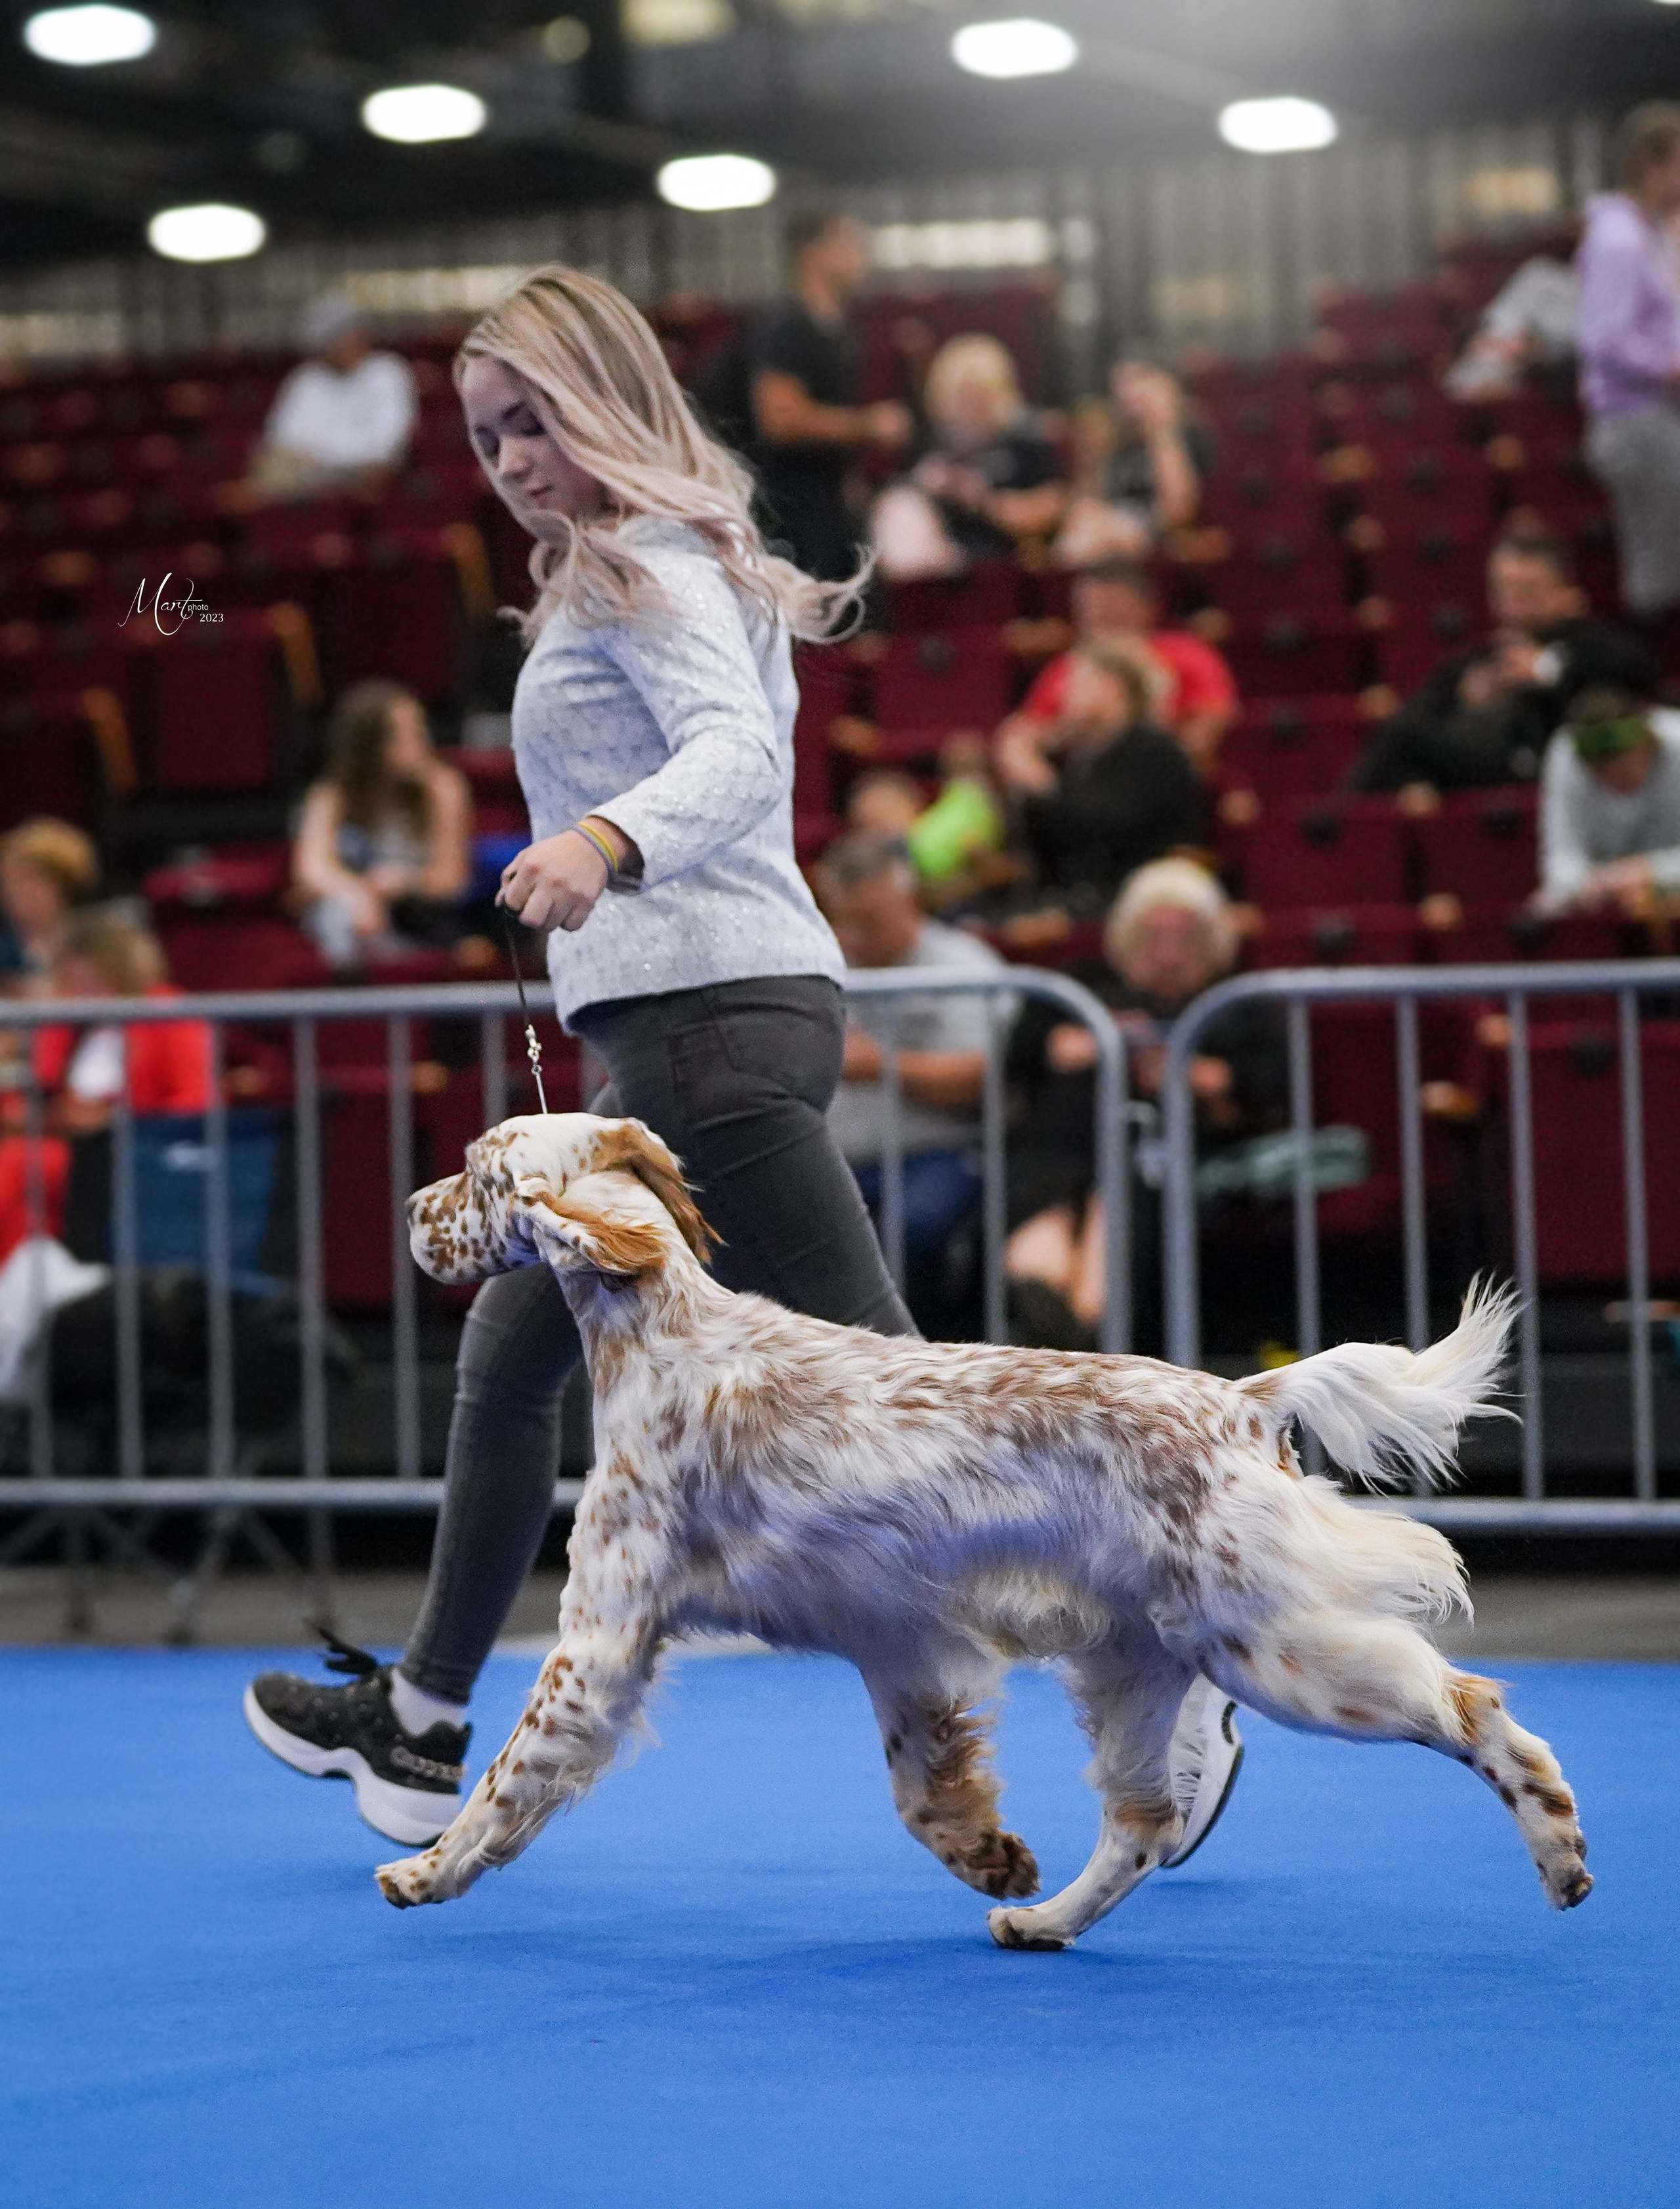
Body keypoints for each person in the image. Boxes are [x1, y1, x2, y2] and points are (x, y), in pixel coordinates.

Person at [240, 263, 1245, 1866]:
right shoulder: (622, 561)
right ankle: (422, 1725)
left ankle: (1168, 1655)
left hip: (707, 1029)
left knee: (911, 1404)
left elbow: (734, 753)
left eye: (529, 420)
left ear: (606, 399)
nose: (503, 457)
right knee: (515, 1366)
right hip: (676, 1027)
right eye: (483, 433)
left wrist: (597, 836)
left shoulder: (646, 559)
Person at [1004, 859, 1286, 1354]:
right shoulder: (1080, 990)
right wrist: (1079, 1042)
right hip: (1058, 1149)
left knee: (1128, 1173)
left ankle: (1074, 1321)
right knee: (1060, 1164)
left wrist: (1198, 1077)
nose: (1170, 955)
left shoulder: (1237, 1007)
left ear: (1215, 944)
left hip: (1158, 1157)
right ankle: (1056, 1302)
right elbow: (1020, 1055)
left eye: (1189, 939)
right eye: (1154, 937)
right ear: (1126, 940)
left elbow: (1271, 1087)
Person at [814, 831, 1011, 1334]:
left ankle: (921, 1360)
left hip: (940, 1152)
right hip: (839, 1157)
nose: (856, 936)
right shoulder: (818, 968)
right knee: (778, 1225)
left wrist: (883, 1065)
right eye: (846, 920)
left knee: (914, 1230)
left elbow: (979, 1077)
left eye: (872, 920)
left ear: (910, 901)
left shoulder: (965, 967)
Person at [1349, 526, 1662, 799]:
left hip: (1576, 774)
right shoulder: (1479, 659)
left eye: (1529, 591)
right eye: (1504, 591)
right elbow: (1412, 727)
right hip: (1493, 776)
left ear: (1566, 594)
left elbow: (1641, 679)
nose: (1513, 605)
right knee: (1400, 737)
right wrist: (1470, 705)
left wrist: (1544, 670)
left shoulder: (1592, 646)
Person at [0, 911, 214, 1265]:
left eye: (92, 981)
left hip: (135, 1153)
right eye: (74, 982)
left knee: (16, 1165)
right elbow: (45, 1089)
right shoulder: (71, 1023)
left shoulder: (167, 1015)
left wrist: (113, 1122)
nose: (83, 993)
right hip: (71, 1146)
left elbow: (194, 1102)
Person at [747, 211, 912, 579]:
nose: (860, 253)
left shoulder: (840, 328)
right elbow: (780, 418)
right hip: (793, 508)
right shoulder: (787, 325)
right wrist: (870, 425)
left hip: (831, 500)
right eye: (848, 242)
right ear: (814, 253)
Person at [995, 637, 1207, 919]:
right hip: (1078, 898)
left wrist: (1040, 781)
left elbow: (1108, 827)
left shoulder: (1154, 751)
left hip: (1138, 899)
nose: (1066, 694)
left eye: (1079, 682)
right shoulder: (1082, 757)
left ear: (1114, 686)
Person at [292, 679, 474, 970]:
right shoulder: (333, 795)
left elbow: (452, 880)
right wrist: (357, 894)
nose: (422, 742)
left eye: (420, 729)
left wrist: (404, 882)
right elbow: (313, 870)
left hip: (419, 914)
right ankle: (351, 996)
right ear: (371, 745)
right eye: (405, 735)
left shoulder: (442, 787)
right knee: (338, 915)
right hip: (358, 917)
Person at [1578, 102, 1680, 618]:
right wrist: (1669, 367)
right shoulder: (1619, 241)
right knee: (1662, 571)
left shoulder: (1651, 232)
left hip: (1655, 413)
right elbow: (1604, 340)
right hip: (1634, 419)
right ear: (1652, 164)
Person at [1004, 557, 1238, 778]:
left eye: (1110, 605)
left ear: (1146, 606)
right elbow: (1028, 731)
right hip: (1083, 785)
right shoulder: (1068, 665)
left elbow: (1212, 718)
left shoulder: (1187, 653)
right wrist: (1052, 789)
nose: (1097, 614)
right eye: (1087, 606)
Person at [869, 333, 1064, 579]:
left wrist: (982, 500)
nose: (969, 404)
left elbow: (1050, 510)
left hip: (1004, 556)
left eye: (978, 393)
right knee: (901, 507)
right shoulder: (929, 445)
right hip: (938, 559)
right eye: (960, 394)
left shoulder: (1023, 442)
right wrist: (927, 488)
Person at [245, 295, 419, 503]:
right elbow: (283, 437)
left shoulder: (388, 371)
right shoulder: (306, 379)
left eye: (348, 335)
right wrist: (321, 463)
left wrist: (326, 459)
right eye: (334, 340)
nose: (344, 344)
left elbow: (388, 442)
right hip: (309, 476)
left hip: (364, 475)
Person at [1534, 681, 1680, 915]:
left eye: (1625, 767)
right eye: (1602, 773)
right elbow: (1560, 858)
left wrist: (1653, 871)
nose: (1616, 780)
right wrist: (1593, 883)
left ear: (1648, 744)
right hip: (1605, 896)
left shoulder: (1676, 737)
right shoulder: (1566, 753)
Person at [1052, 360, 1213, 568]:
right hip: (1108, 539)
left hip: (1158, 545)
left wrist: (1161, 428)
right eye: (1121, 387)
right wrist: (1092, 453)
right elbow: (1091, 501)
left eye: (1137, 382)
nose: (1128, 394)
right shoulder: (1120, 446)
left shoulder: (1190, 436)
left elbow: (1178, 511)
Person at [0, 818, 100, 994]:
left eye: (31, 879)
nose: (15, 890)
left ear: (63, 883)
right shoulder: (6, 949)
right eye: (9, 880)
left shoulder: (96, 943)